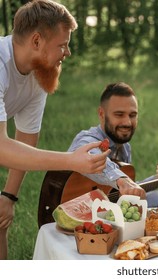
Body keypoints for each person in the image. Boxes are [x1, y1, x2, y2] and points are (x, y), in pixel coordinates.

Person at [0, 0, 109, 260]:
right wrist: (71, 160)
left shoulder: (40, 72)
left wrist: (8, 197)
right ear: (36, 41)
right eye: (62, 45)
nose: (67, 52)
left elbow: (26, 137)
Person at [68, 82, 158, 207]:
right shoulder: (87, 139)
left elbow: (128, 188)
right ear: (101, 114)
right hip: (81, 207)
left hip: (112, 207)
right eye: (119, 115)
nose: (127, 122)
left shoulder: (124, 146)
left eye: (132, 115)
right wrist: (121, 180)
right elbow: (90, 156)